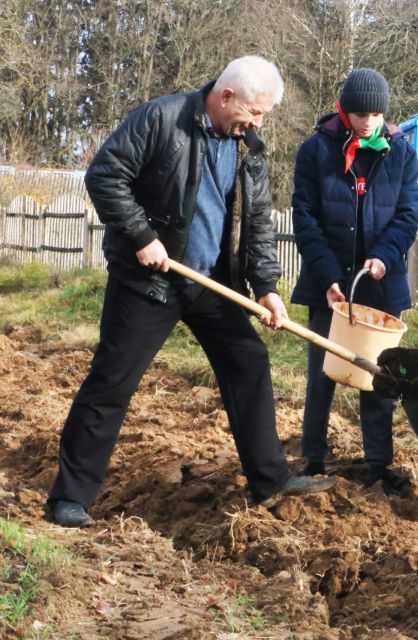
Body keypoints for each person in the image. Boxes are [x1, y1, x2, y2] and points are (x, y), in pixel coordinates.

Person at [47, 56, 335, 529]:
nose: (258, 123)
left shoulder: (249, 147)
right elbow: (104, 175)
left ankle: (269, 478)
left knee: (249, 362)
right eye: (255, 112)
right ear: (226, 97)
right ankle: (69, 498)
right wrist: (142, 237)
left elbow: (256, 221)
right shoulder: (161, 120)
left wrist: (266, 288)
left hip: (212, 282)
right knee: (112, 383)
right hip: (151, 281)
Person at [290, 68, 418, 495]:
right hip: (327, 281)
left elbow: (407, 214)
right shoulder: (316, 150)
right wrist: (328, 275)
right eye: (359, 113)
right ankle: (312, 459)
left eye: (375, 114)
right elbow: (305, 217)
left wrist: (384, 257)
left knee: (377, 375)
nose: (367, 122)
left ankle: (378, 467)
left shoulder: (401, 152)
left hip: (381, 283)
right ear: (343, 111)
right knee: (322, 371)